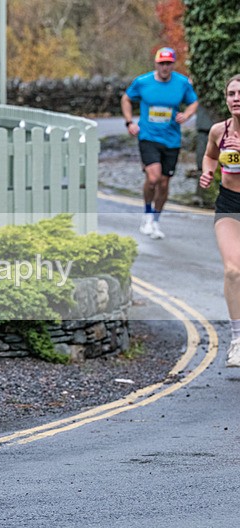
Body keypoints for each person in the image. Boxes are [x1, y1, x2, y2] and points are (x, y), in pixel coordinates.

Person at [121, 47, 199, 240]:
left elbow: (194, 102)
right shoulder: (143, 82)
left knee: (164, 184)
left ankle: (155, 220)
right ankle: (147, 214)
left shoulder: (181, 83)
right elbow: (126, 98)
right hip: (148, 137)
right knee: (153, 178)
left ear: (173, 64)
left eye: (169, 63)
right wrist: (129, 122)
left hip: (171, 139)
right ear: (156, 64)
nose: (165, 67)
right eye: (162, 63)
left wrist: (187, 114)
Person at [199, 74, 240, 367]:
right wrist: (208, 171)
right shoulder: (219, 131)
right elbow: (210, 156)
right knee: (233, 271)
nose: (236, 98)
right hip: (229, 205)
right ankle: (238, 341)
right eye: (231, 93)